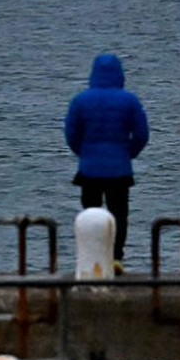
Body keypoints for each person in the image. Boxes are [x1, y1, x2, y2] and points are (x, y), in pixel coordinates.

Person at [64, 53, 149, 273]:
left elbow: (71, 134)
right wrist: (127, 153)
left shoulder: (80, 100)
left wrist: (83, 153)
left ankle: (91, 260)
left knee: (90, 214)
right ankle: (116, 257)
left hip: (89, 168)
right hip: (119, 168)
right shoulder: (130, 101)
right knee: (119, 214)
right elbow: (141, 134)